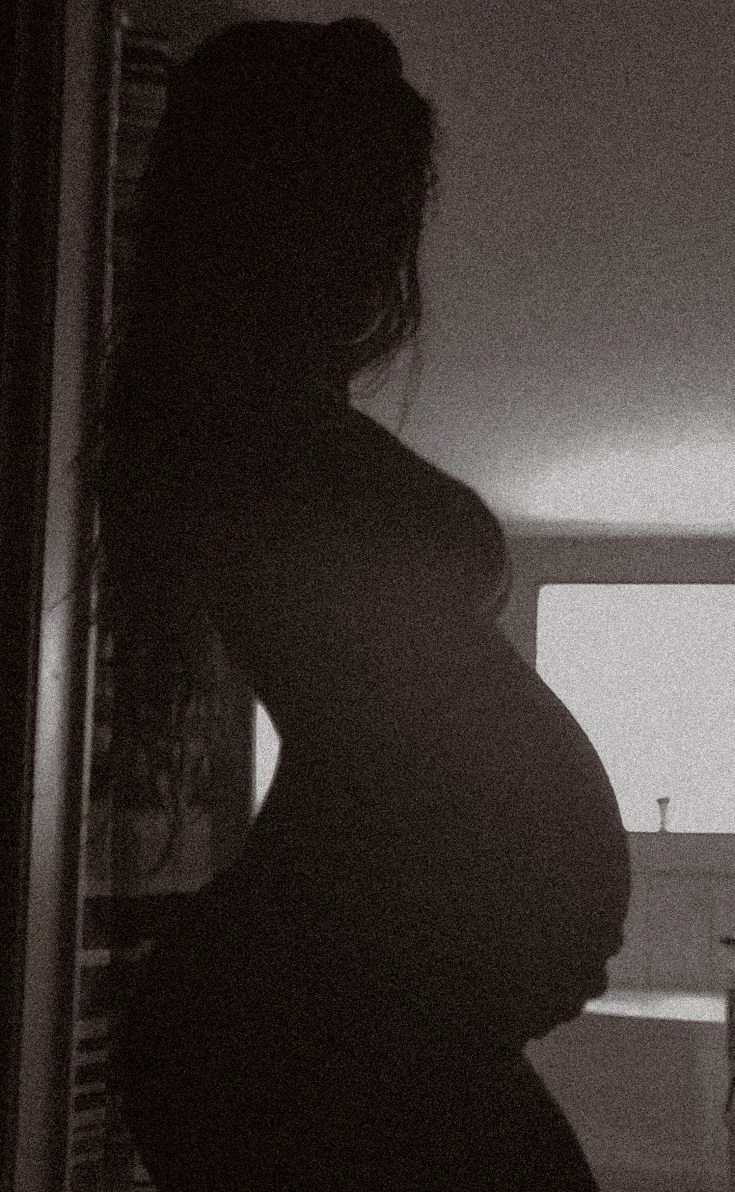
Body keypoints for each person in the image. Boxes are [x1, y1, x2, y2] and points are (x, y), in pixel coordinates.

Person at [101, 18, 630, 1191]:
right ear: (276, 214)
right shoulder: (242, 441)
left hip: (360, 1007)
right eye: (367, 205)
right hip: (309, 1017)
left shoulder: (270, 433)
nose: (388, 251)